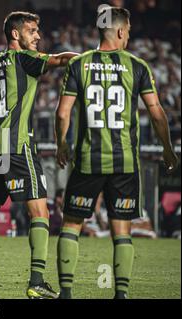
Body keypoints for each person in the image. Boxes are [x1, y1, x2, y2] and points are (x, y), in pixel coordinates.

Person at [54, 7, 179, 299]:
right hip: (124, 162)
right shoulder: (137, 66)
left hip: (87, 160)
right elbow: (157, 113)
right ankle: (120, 294)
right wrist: (167, 149)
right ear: (121, 31)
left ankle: (66, 293)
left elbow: (62, 113)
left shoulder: (80, 64)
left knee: (71, 226)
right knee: (121, 231)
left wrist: (62, 144)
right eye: (130, 31)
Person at [0, 11, 78, 299]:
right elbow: (63, 59)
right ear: (16, 34)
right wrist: (97, 58)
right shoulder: (25, 59)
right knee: (40, 211)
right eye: (32, 31)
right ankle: (37, 281)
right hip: (17, 147)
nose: (37, 36)